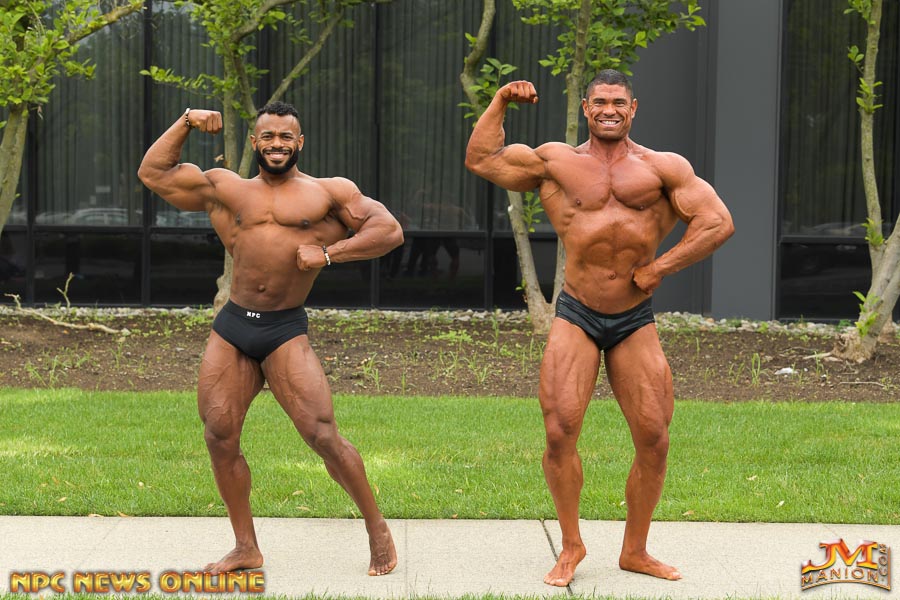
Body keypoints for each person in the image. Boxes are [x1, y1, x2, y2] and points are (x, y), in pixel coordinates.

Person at [465, 70, 734, 586]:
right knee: (559, 431)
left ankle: (636, 550)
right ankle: (571, 546)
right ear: (586, 108)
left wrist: (660, 268)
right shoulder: (556, 162)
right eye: (600, 102)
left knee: (654, 437)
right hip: (578, 312)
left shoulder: (664, 167)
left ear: (634, 108)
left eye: (618, 102)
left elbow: (717, 221)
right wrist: (499, 101)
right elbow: (482, 158)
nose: (609, 109)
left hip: (634, 318)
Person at [138, 101, 403, 575]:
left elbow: (388, 230)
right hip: (234, 327)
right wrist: (186, 121)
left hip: (284, 329)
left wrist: (330, 253)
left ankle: (376, 528)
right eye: (267, 136)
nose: (276, 144)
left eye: (285, 137)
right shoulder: (227, 189)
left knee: (322, 435)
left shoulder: (329, 192)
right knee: (219, 436)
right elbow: (154, 173)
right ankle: (246, 547)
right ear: (254, 142)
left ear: (299, 143)